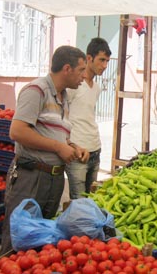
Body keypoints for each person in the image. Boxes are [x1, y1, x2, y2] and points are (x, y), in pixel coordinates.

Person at [0, 45, 88, 256]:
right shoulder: (36, 90)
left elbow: (54, 135)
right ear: (67, 68)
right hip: (31, 177)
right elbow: (17, 131)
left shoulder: (64, 97)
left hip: (53, 179)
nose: (84, 76)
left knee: (40, 242)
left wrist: (73, 147)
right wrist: (58, 147)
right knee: (17, 242)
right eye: (81, 70)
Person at [65, 37, 112, 199]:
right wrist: (70, 145)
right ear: (89, 58)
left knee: (92, 200)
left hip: (95, 149)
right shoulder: (73, 85)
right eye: (101, 60)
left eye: (107, 61)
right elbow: (62, 116)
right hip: (78, 153)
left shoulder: (97, 88)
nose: (105, 65)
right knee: (78, 204)